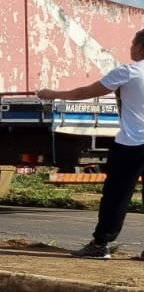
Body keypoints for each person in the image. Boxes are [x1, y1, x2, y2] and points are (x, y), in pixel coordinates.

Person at [37, 28, 144, 259]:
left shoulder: (129, 72)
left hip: (131, 144)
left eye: (133, 43)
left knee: (117, 196)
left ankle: (100, 244)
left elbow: (83, 92)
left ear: (140, 47)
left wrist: (51, 93)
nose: (130, 48)